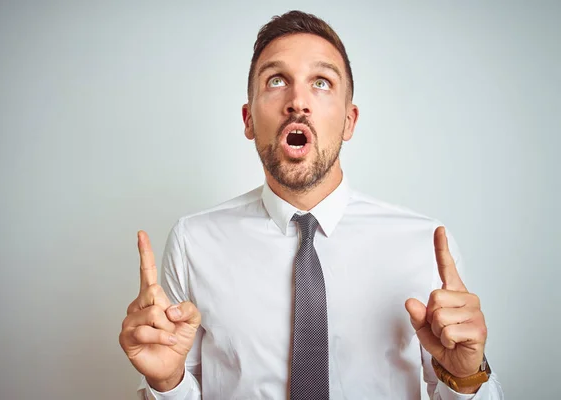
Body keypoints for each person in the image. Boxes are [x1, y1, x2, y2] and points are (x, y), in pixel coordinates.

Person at [119, 10, 504, 400]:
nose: (297, 102)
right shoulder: (193, 242)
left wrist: (465, 379)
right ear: (248, 118)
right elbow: (175, 382)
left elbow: (461, 380)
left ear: (349, 121)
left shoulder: (425, 244)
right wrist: (166, 384)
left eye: (321, 82)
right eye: (276, 80)